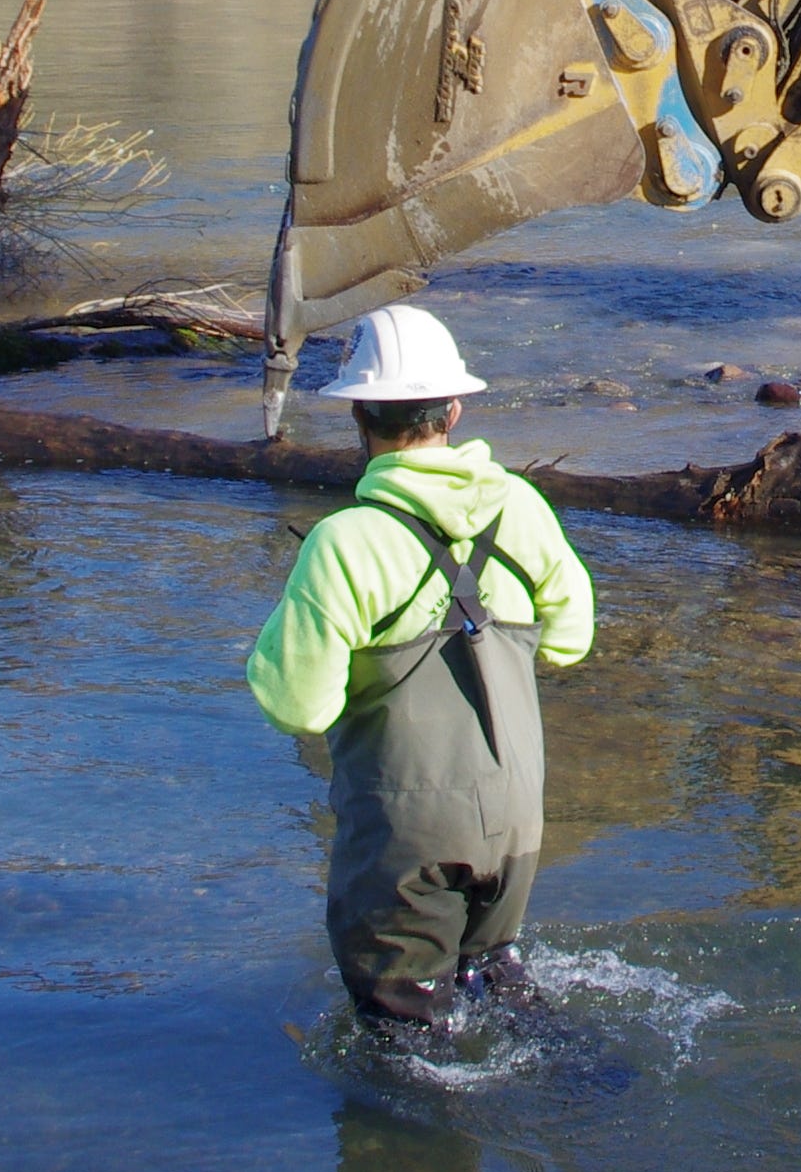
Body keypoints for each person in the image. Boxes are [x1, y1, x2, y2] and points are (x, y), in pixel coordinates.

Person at [245, 306, 595, 1029]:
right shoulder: (522, 507)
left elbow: (298, 706)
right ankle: (588, 1088)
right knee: (497, 987)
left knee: (403, 1039)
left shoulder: (346, 542)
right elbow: (570, 641)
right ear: (455, 410)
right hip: (515, 824)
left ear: (359, 417)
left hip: (408, 836)